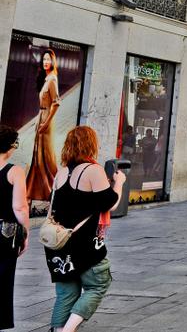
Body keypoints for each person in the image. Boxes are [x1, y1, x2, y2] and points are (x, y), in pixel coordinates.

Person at [44, 126, 125, 332]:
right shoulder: (92, 170)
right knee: (98, 286)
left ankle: (58, 329)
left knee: (66, 294)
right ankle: (68, 330)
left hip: (58, 244)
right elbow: (110, 204)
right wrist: (119, 183)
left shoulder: (60, 173)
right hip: (84, 245)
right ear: (91, 145)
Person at [0, 126, 28, 331]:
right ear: (9, 147)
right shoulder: (14, 171)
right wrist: (24, 232)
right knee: (2, 281)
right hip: (3, 235)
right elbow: (19, 206)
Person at [26, 49, 60, 202]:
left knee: (45, 157)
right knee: (37, 155)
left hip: (47, 119)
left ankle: (53, 190)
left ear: (53, 62)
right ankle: (35, 190)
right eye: (44, 59)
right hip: (42, 116)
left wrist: (46, 123)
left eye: (48, 59)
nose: (46, 62)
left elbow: (56, 103)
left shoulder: (52, 79)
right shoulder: (46, 79)